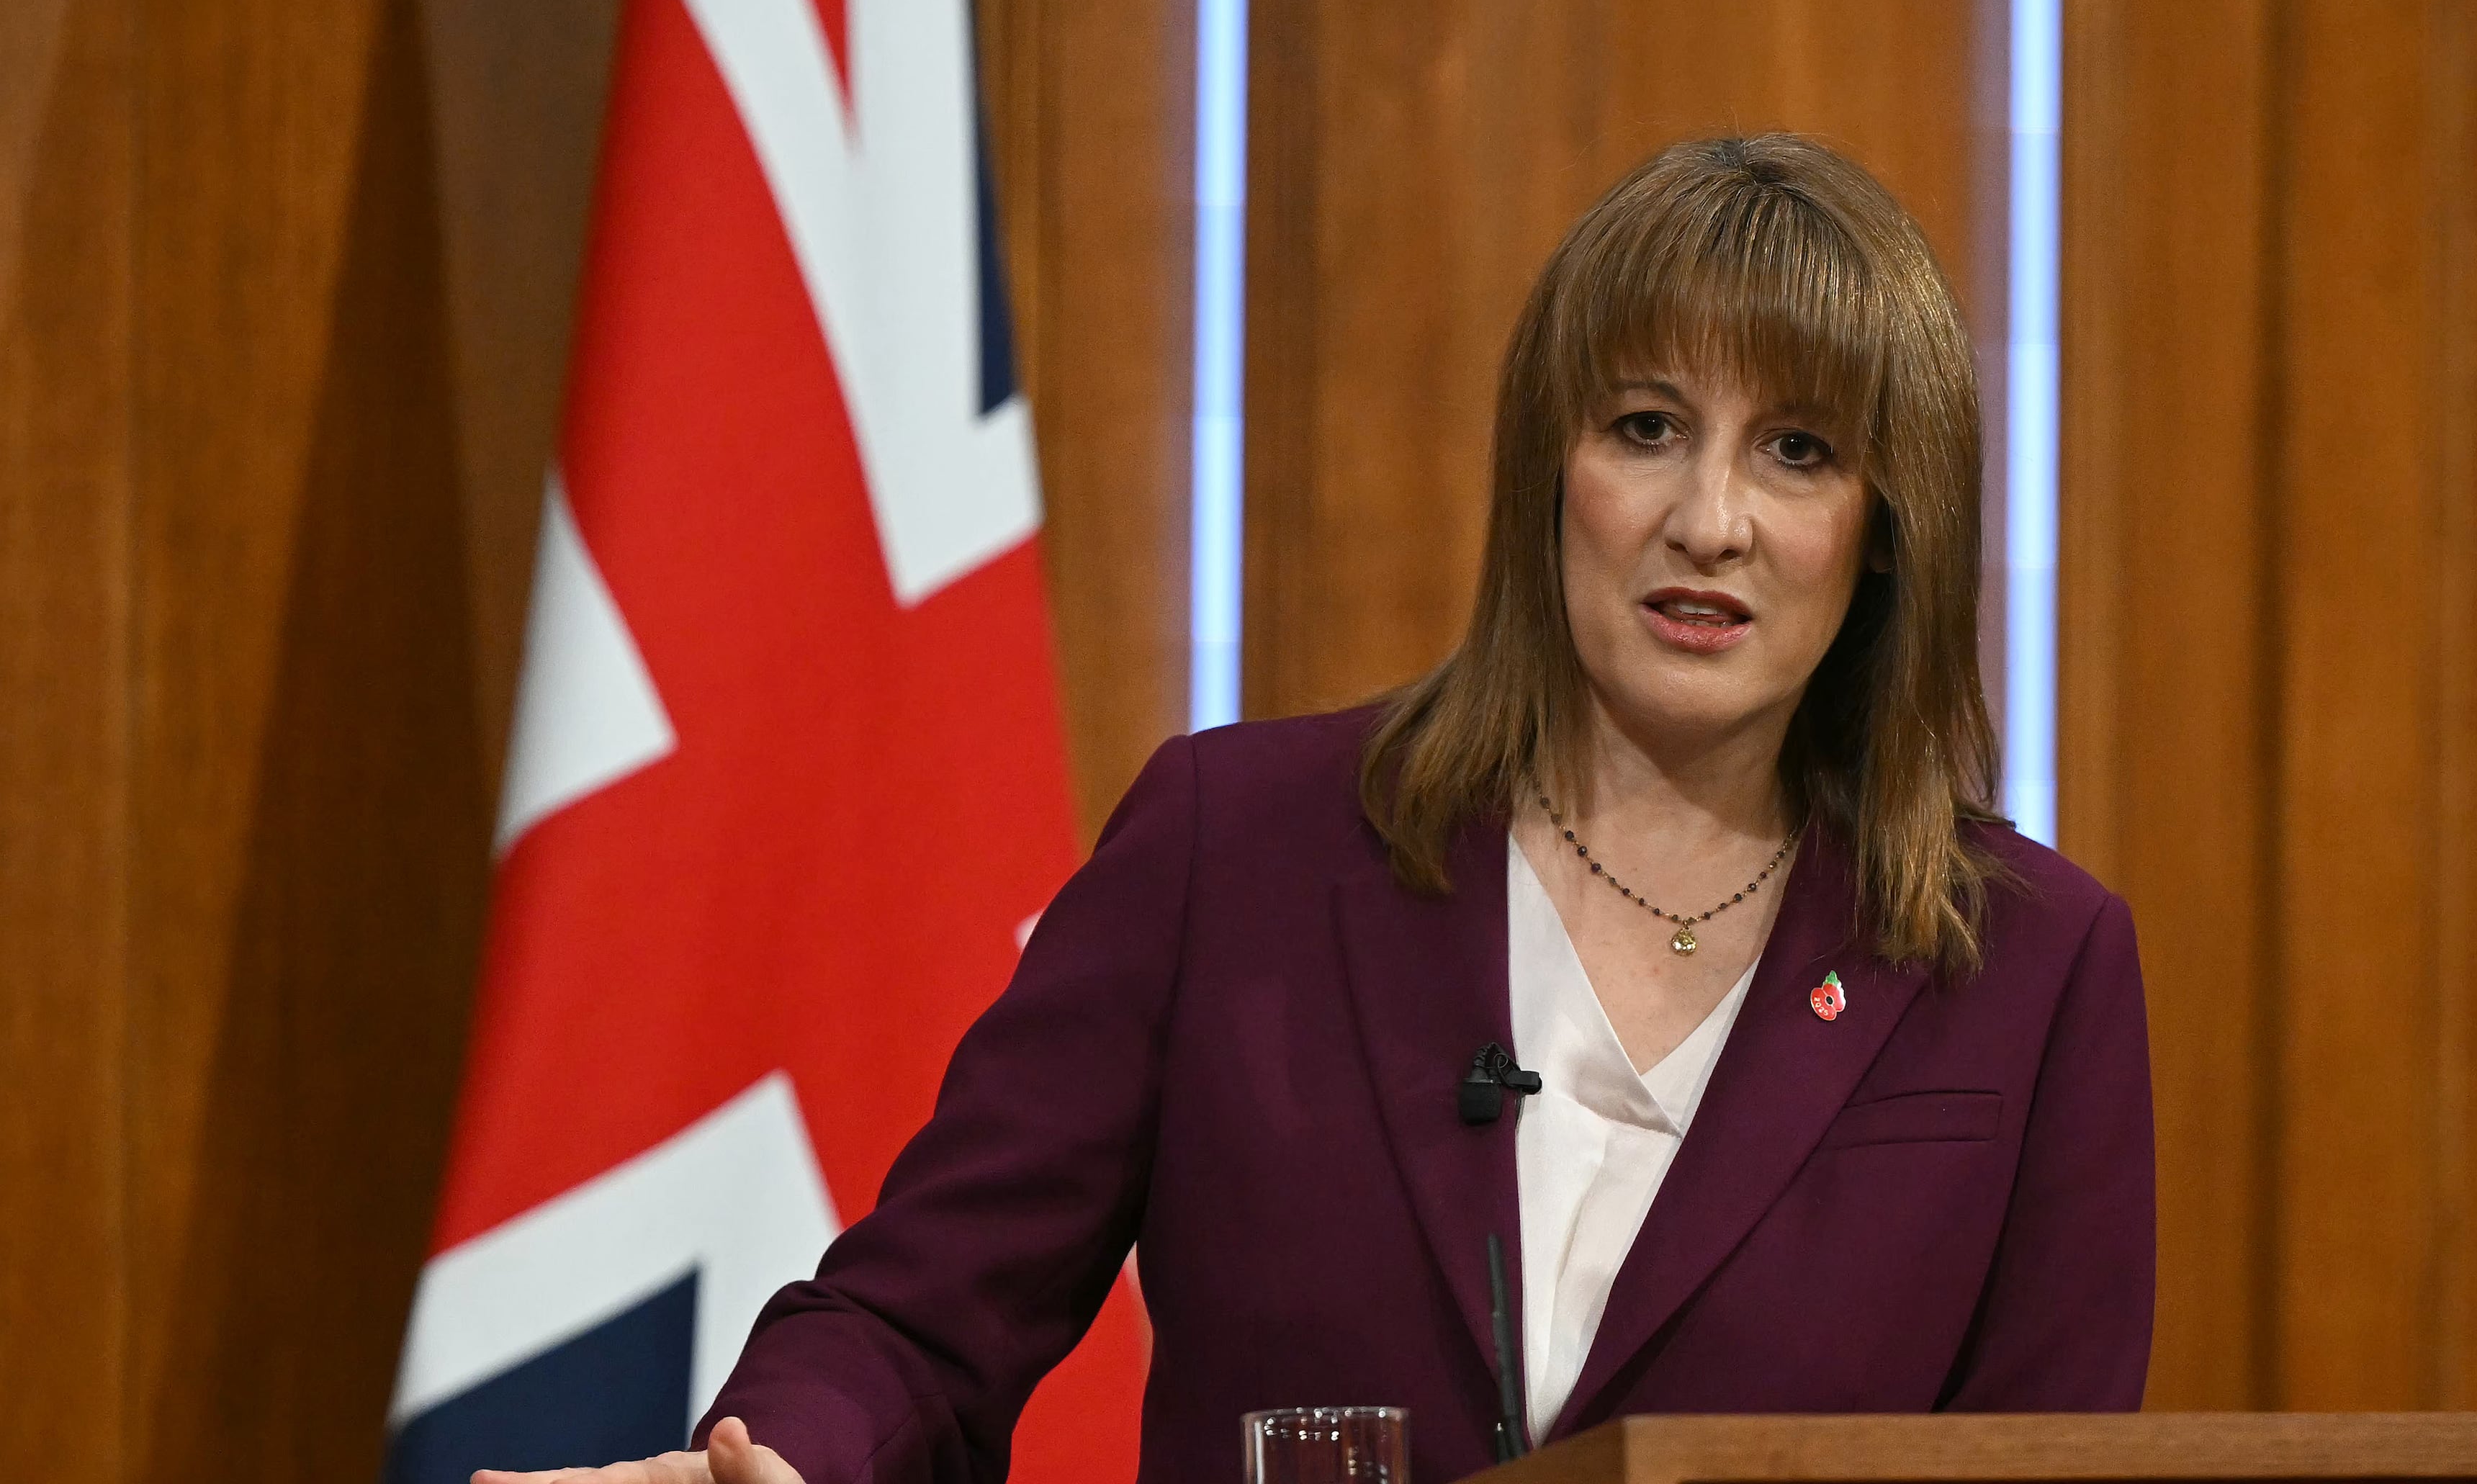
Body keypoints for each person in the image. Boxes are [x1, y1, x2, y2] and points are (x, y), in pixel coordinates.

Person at [480, 133, 2153, 1484]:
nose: (1708, 519)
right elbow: (918, 1326)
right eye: (1647, 428)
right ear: (1548, 476)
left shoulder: (2029, 968)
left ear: (1884, 535)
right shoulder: (1241, 849)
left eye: (1795, 453)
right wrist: (782, 1464)